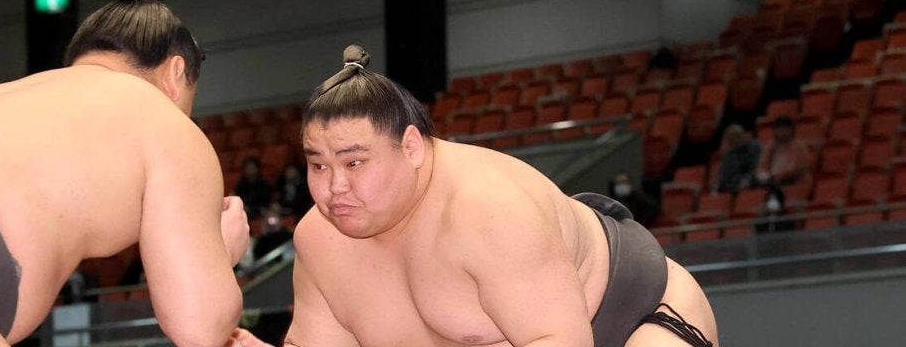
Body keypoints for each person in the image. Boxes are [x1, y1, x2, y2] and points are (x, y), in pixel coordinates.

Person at [0, 0, 269, 347]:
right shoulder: (163, 121)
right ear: (175, 74)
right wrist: (219, 253)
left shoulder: (13, 97)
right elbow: (199, 327)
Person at [284, 45, 718, 347]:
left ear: (411, 147)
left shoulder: (488, 209)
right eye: (318, 166)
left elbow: (559, 340)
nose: (335, 187)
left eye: (354, 163)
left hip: (636, 316)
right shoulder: (319, 240)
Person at [756, 116, 811, 187]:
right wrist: (763, 175)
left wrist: (781, 176)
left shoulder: (799, 146)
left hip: (794, 180)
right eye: (779, 129)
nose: (781, 132)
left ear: (791, 130)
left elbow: (800, 167)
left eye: (784, 129)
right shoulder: (770, 146)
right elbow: (762, 165)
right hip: (772, 180)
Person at [713, 124, 761, 193]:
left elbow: (752, 168)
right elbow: (723, 177)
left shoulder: (753, 147)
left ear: (741, 136)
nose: (732, 141)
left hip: (747, 181)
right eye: (730, 139)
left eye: (735, 137)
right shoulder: (728, 155)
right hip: (731, 186)